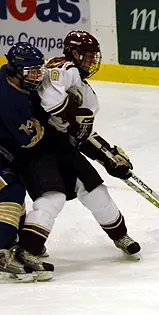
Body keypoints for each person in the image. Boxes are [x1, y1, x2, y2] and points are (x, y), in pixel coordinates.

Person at [14, 30, 140, 279]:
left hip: (62, 146)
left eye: (95, 56)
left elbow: (79, 134)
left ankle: (120, 235)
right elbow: (51, 104)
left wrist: (108, 156)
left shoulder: (85, 90)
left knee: (95, 190)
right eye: (89, 56)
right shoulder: (62, 69)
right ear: (74, 53)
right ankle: (26, 250)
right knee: (53, 196)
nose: (93, 61)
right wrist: (74, 116)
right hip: (37, 145)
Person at [0, 42, 54, 281]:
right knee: (11, 189)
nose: (36, 75)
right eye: (29, 71)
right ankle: (2, 252)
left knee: (14, 195)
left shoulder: (7, 78)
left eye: (37, 69)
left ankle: (13, 243)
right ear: (15, 71)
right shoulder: (10, 100)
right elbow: (28, 139)